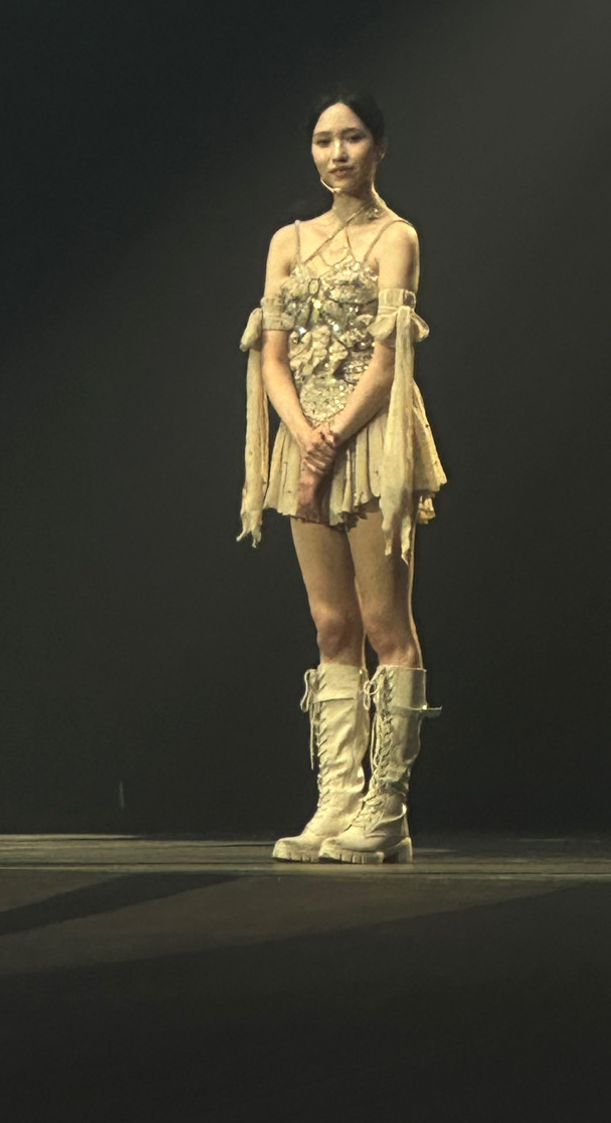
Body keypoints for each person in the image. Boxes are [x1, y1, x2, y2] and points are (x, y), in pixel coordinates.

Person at [239, 90, 445, 864]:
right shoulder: (288, 241)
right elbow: (273, 356)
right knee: (331, 625)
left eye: (352, 138)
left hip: (370, 435)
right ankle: (337, 800)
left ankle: (387, 810)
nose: (337, 154)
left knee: (385, 622)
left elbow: (390, 360)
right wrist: (302, 434)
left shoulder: (397, 237)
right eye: (324, 140)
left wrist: (334, 437)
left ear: (378, 147)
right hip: (306, 435)